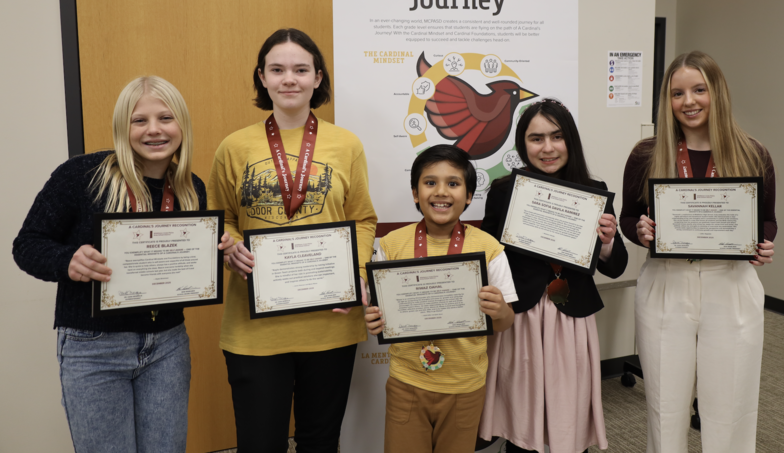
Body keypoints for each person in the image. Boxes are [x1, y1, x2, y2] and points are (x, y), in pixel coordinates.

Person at [13, 75, 234, 452]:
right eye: (139, 120)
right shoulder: (81, 176)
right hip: (93, 348)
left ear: (182, 124)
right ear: (122, 127)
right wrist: (68, 260)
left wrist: (216, 250)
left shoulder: (191, 188)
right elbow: (27, 245)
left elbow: (181, 263)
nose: (154, 130)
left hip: (167, 347)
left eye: (165, 118)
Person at [208, 28, 377, 453]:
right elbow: (220, 218)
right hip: (254, 328)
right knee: (259, 443)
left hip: (331, 323)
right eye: (277, 69)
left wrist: (356, 273)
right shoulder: (233, 147)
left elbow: (362, 219)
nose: (289, 79)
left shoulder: (347, 144)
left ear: (317, 78)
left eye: (301, 69)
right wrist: (229, 248)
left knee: (320, 441)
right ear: (261, 78)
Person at [620, 51, 776, 453]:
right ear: (667, 101)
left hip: (731, 285)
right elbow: (628, 218)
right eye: (677, 93)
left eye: (698, 90)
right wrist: (640, 231)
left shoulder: (753, 152)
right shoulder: (646, 154)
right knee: (665, 406)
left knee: (730, 406)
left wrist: (762, 244)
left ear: (717, 93)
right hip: (666, 286)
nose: (688, 101)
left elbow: (767, 220)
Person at [478, 98, 629, 453]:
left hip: (570, 317)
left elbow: (616, 264)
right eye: (536, 138)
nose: (547, 148)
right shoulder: (503, 192)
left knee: (569, 412)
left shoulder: (594, 190)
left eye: (557, 137)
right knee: (522, 414)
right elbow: (487, 256)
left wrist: (606, 242)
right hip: (521, 317)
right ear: (522, 144)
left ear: (570, 141)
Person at [365, 144, 518, 453]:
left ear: (469, 195)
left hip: (465, 386)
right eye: (430, 182)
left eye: (453, 183)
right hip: (407, 382)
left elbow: (505, 322)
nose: (441, 192)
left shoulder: (488, 249)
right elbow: (380, 311)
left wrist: (500, 310)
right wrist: (373, 318)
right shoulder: (391, 245)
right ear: (415, 192)